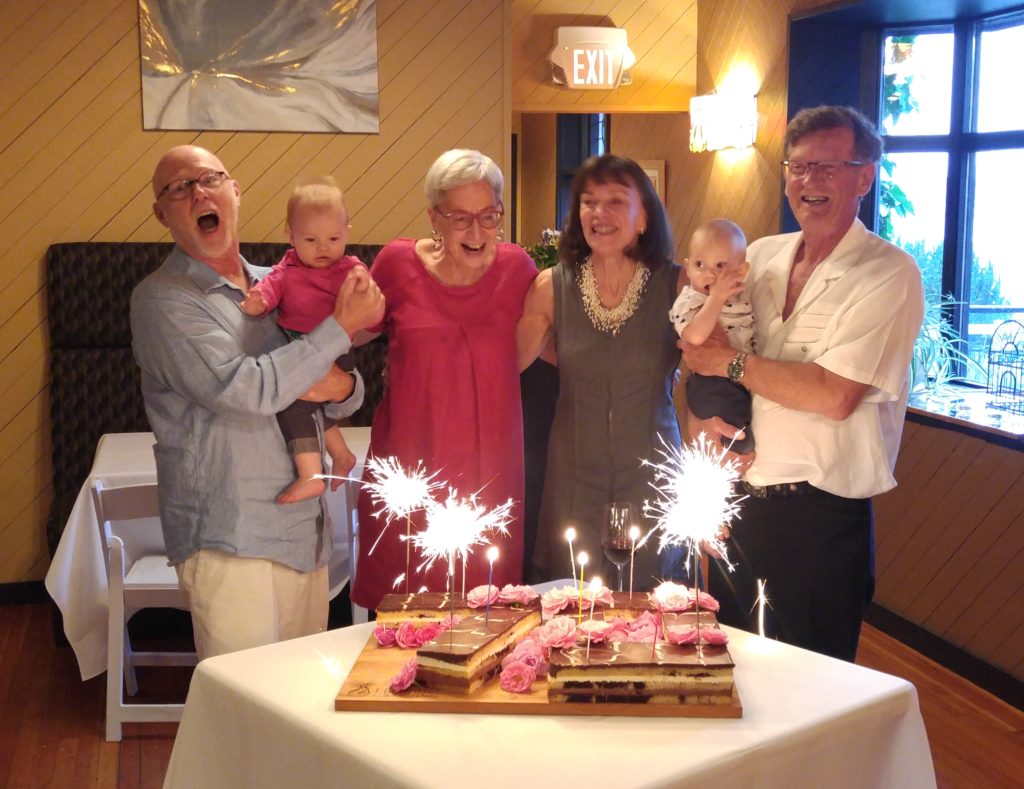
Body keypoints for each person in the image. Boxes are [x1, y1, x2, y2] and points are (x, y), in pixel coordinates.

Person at [681, 105, 925, 661]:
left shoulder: (888, 273)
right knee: (727, 671)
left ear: (865, 176)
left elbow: (834, 396)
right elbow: (694, 351)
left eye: (829, 167)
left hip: (818, 520)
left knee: (812, 693)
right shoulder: (758, 256)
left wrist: (730, 365)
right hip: (738, 507)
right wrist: (700, 421)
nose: (810, 181)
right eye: (798, 167)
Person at [131, 145, 384, 660]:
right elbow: (246, 390)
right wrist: (337, 333)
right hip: (230, 538)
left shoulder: (282, 282)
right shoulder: (164, 299)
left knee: (301, 709)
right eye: (180, 187)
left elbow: (341, 392)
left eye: (210, 179)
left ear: (234, 193)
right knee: (243, 717)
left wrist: (343, 386)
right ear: (162, 213)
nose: (199, 192)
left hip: (305, 534)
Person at [350, 149, 538, 610]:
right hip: (409, 474)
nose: (476, 232)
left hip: (489, 480)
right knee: (400, 623)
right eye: (459, 218)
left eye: (489, 216)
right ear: (433, 216)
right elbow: (348, 333)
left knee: (486, 620)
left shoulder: (520, 271)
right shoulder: (396, 264)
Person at [517, 154, 685, 590]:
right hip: (573, 473)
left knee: (651, 607)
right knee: (571, 604)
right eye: (589, 202)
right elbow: (508, 365)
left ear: (644, 217)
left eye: (615, 201)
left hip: (652, 472)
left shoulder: (677, 285)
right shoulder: (551, 285)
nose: (599, 213)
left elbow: (710, 368)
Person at [240, 178, 362, 504]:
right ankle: (342, 455)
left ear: (347, 233)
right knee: (313, 408)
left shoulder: (350, 269)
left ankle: (310, 474)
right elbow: (270, 287)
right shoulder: (287, 268)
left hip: (335, 352)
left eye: (334, 238)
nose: (323, 247)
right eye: (310, 239)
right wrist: (259, 301)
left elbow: (371, 308)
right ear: (290, 236)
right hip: (297, 347)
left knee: (294, 405)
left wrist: (367, 298)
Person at [670, 219, 755, 454]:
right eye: (700, 265)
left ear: (741, 271)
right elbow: (694, 336)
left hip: (740, 378)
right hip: (710, 382)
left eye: (720, 266)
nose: (709, 274)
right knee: (736, 437)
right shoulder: (690, 300)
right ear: (687, 268)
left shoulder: (742, 297)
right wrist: (715, 299)